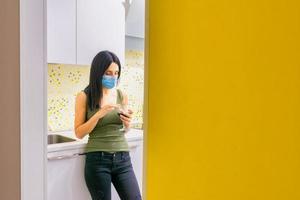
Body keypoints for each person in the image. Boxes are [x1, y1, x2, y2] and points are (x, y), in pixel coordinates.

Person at [74, 50, 142, 200]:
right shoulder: (84, 96)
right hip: (98, 160)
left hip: (123, 158)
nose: (113, 77)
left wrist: (127, 124)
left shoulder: (121, 95)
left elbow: (124, 130)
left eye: (116, 73)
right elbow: (79, 133)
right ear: (98, 72)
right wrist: (99, 114)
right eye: (108, 72)